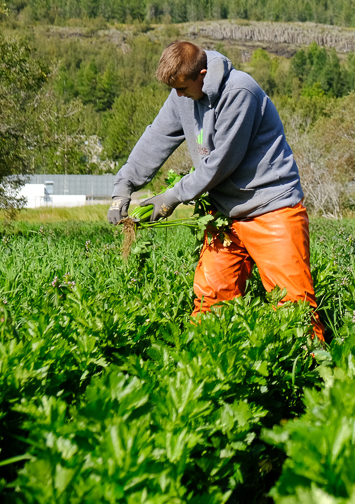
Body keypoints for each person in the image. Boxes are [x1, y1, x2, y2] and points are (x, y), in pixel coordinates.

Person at [107, 41, 327, 341]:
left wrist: (170, 198)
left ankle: (313, 376)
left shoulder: (239, 92)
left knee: (294, 306)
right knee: (211, 300)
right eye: (175, 90)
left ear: (203, 74)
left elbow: (219, 165)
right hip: (224, 216)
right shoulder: (182, 93)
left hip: (271, 208)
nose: (179, 96)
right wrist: (123, 187)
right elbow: (155, 139)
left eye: (183, 88)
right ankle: (208, 371)